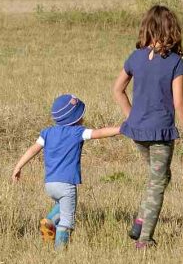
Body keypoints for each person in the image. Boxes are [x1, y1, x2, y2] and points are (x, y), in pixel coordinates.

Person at [112, 5, 183, 250]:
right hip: (160, 133)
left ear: (147, 28)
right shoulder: (175, 62)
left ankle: (140, 220)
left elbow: (117, 90)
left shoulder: (135, 57)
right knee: (157, 183)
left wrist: (133, 117)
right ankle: (144, 239)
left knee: (159, 177)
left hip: (138, 133)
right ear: (172, 30)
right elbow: (179, 102)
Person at [11, 94, 122, 250]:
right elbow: (100, 133)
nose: (83, 118)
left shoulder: (47, 133)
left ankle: (49, 222)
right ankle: (60, 254)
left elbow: (33, 149)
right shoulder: (77, 132)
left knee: (62, 207)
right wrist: (121, 129)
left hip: (50, 184)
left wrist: (18, 166)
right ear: (75, 118)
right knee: (67, 222)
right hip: (66, 184)